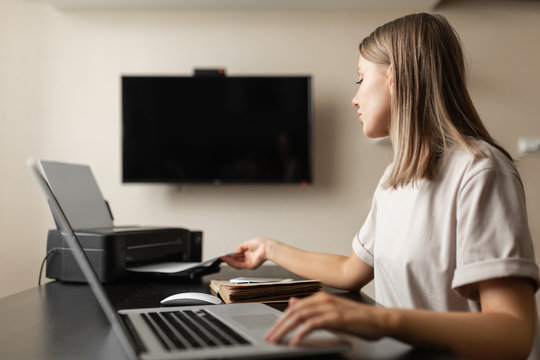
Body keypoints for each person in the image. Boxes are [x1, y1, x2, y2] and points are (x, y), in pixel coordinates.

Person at [222, 12, 540, 360]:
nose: (354, 99)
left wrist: (380, 319)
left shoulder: (481, 171)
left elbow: (513, 335)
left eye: (361, 79)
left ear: (397, 78)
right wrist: (269, 249)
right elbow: (349, 271)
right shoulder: (394, 179)